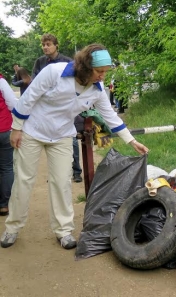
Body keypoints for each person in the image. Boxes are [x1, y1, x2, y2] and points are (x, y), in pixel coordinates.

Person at [0, 44, 149, 250]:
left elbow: (110, 116)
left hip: (62, 136)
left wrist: (131, 141)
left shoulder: (97, 90)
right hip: (33, 131)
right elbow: (28, 98)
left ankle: (64, 230)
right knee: (24, 181)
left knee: (62, 182)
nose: (103, 77)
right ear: (86, 67)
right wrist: (17, 128)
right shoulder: (54, 73)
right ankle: (13, 228)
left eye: (105, 72)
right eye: (99, 72)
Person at [32, 33, 83, 183]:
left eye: (48, 44)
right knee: (48, 140)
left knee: (70, 140)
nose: (45, 47)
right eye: (43, 45)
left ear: (56, 45)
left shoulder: (68, 62)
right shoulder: (39, 62)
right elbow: (35, 84)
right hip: (45, 108)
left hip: (65, 107)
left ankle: (76, 171)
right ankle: (56, 174)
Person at [0, 74, 18, 217]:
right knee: (6, 168)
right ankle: (4, 205)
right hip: (3, 129)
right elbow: (12, 103)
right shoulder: (1, 81)